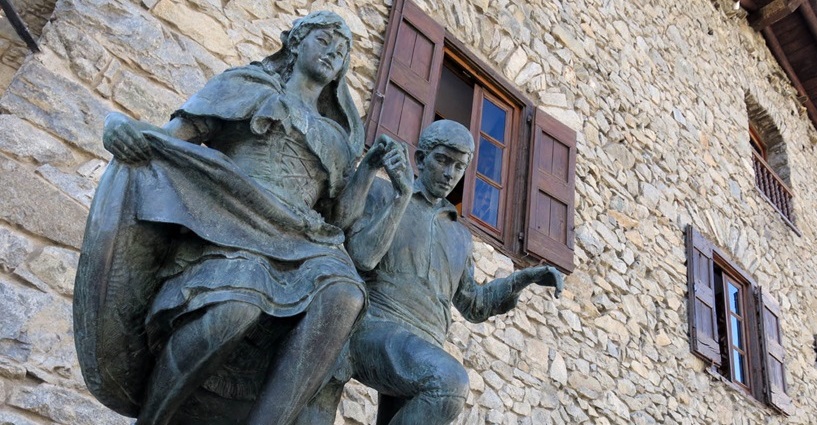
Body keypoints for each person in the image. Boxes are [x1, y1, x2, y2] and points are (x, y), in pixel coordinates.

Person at [73, 11, 410, 425]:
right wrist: (116, 125)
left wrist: (368, 168)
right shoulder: (246, 86)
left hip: (304, 238)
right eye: (324, 41)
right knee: (236, 306)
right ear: (295, 42)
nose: (333, 53)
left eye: (341, 52)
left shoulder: (336, 135)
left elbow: (339, 218)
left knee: (346, 294)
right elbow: (170, 138)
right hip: (231, 218)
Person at [297, 120, 564, 425]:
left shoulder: (460, 236)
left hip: (424, 345)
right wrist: (400, 197)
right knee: (448, 383)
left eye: (459, 166)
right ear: (421, 160)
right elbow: (361, 256)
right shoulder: (384, 192)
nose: (450, 173)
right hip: (373, 326)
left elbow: (473, 304)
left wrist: (522, 279)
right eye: (442, 160)